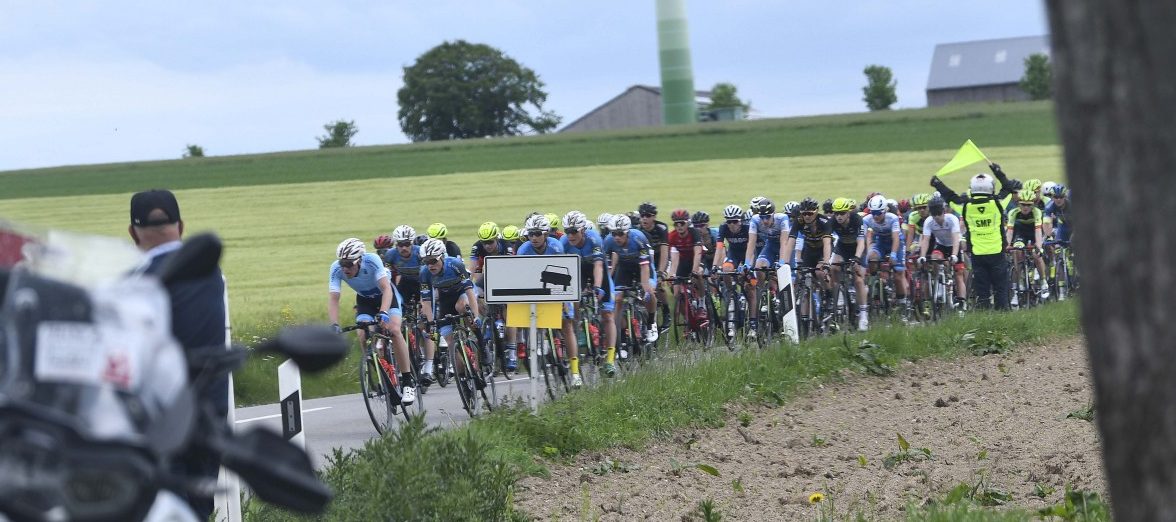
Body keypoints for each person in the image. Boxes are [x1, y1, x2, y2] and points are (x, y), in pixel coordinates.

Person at [128, 189, 226, 521]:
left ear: (132, 233)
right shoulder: (211, 273)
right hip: (209, 415)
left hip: (158, 421)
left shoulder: (136, 282)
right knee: (196, 509)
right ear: (181, 226)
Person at [328, 238, 416, 402]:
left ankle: (407, 382)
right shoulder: (335, 269)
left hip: (387, 297)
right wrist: (334, 324)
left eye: (349, 264)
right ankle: (376, 367)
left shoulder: (372, 261)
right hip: (365, 301)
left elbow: (386, 289)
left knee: (395, 330)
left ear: (359, 260)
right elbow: (334, 299)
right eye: (342, 263)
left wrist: (383, 312)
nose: (345, 268)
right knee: (362, 334)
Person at [931, 163, 1017, 309]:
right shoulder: (998, 203)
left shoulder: (965, 206)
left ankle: (985, 321)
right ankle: (1003, 319)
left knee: (982, 292)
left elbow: (950, 197)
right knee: (1000, 290)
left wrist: (937, 184)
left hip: (977, 254)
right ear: (990, 187)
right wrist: (998, 171)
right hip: (996, 252)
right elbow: (1008, 188)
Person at [517, 214, 580, 385]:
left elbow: (563, 276)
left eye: (538, 234)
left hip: (558, 286)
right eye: (531, 234)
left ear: (546, 234)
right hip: (536, 287)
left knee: (566, 325)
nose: (534, 238)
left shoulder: (556, 247)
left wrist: (563, 302)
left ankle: (575, 372)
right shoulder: (523, 250)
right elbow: (521, 278)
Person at [417, 238, 483, 387]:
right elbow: (426, 302)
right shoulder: (424, 274)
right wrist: (431, 324)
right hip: (446, 299)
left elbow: (470, 292)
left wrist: (476, 316)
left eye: (433, 261)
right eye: (426, 262)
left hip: (463, 293)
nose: (430, 265)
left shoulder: (455, 265)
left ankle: (478, 339)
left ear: (442, 257)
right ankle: (463, 377)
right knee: (450, 341)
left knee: (461, 307)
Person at [560, 211, 618, 377]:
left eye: (574, 232)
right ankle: (579, 329)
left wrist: (598, 287)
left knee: (607, 315)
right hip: (578, 273)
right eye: (567, 231)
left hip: (596, 272)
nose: (570, 235)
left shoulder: (594, 239)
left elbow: (599, 266)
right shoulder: (563, 243)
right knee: (574, 304)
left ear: (583, 230)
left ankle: (610, 359)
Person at [384, 225, 436, 384]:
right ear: (395, 245)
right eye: (400, 244)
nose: (404, 248)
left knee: (426, 324)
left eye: (407, 244)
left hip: (424, 284)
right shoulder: (391, 255)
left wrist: (424, 302)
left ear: (412, 243)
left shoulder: (420, 252)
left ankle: (428, 367)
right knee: (400, 321)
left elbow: (431, 273)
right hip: (405, 285)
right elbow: (387, 278)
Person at [469, 221, 518, 371]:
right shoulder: (477, 247)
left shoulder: (507, 246)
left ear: (496, 239)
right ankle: (485, 324)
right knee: (474, 294)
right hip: (488, 276)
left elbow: (511, 269)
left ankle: (512, 352)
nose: (487, 246)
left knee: (509, 312)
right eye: (485, 243)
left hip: (507, 275)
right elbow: (473, 273)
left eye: (490, 242)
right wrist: (477, 296)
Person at [604, 213, 658, 345]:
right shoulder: (608, 241)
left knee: (649, 292)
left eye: (620, 234)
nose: (617, 237)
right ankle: (620, 336)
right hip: (625, 267)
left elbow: (645, 266)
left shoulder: (638, 238)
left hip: (642, 267)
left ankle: (651, 322)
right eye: (614, 233)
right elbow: (608, 268)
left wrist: (645, 287)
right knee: (618, 298)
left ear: (627, 232)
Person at [917, 196, 968, 311]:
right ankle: (939, 284)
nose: (937, 217)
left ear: (943, 211)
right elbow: (925, 240)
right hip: (942, 245)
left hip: (954, 245)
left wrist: (954, 255)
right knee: (935, 258)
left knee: (958, 274)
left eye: (938, 214)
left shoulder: (952, 219)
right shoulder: (929, 221)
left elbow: (956, 238)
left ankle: (961, 302)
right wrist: (922, 256)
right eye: (934, 214)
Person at [828, 197, 869, 331]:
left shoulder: (857, 220)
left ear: (848, 213)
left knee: (858, 279)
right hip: (843, 247)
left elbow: (861, 242)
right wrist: (827, 259)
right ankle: (839, 294)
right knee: (833, 267)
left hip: (858, 248)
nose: (839, 216)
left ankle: (863, 315)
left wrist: (857, 259)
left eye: (842, 213)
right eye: (836, 213)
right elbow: (828, 240)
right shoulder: (833, 221)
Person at [1005, 188, 1050, 305]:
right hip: (1020, 233)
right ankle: (1017, 285)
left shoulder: (1037, 212)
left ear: (1033, 204)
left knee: (1036, 254)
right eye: (1022, 204)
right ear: (1018, 203)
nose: (1025, 207)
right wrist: (1007, 245)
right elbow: (1010, 232)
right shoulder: (1013, 213)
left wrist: (1039, 246)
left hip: (1034, 233)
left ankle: (1043, 281)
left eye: (1028, 205)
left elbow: (1038, 232)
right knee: (1017, 251)